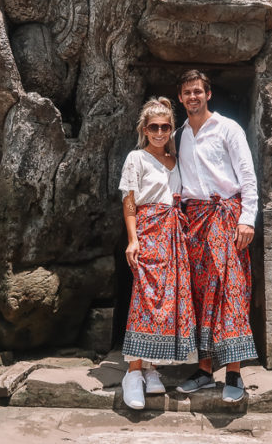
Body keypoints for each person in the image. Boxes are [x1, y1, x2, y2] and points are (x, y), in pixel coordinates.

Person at [173, 70, 258, 403]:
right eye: (187, 92)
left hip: (227, 217)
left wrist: (247, 220)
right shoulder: (179, 136)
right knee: (198, 295)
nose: (192, 97)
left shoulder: (228, 129)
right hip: (193, 222)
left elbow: (248, 178)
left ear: (208, 95)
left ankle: (234, 372)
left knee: (231, 290)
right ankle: (205, 371)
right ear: (180, 98)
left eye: (198, 91)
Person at [118, 97, 198, 409]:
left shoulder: (174, 162)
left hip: (174, 235)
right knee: (145, 300)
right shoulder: (136, 158)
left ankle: (153, 369)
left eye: (166, 126)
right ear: (145, 129)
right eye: (154, 126)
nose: (160, 131)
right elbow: (129, 199)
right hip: (148, 232)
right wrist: (133, 239)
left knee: (168, 302)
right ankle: (133, 372)